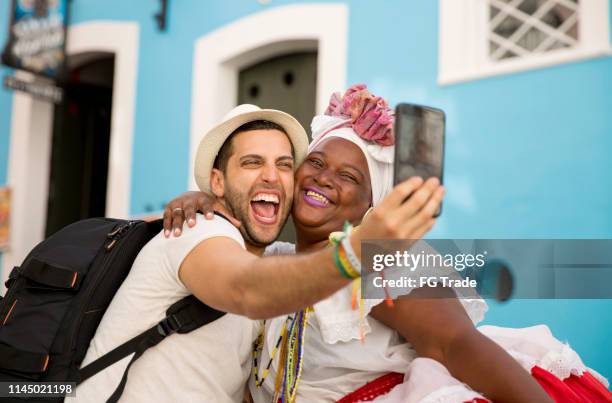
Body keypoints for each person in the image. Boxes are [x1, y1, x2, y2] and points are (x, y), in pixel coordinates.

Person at [166, 85, 611, 402]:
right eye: (315, 162)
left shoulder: (376, 257)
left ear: (369, 209)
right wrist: (207, 200)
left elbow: (455, 344)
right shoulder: (274, 262)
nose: (323, 177)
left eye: (348, 177)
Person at [69, 103, 444, 403]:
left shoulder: (274, 264)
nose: (270, 176)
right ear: (217, 181)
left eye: (284, 165)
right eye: (251, 163)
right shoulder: (198, 230)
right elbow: (246, 290)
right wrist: (356, 250)